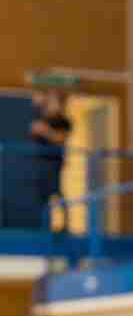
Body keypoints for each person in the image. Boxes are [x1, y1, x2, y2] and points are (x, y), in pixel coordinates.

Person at [28, 89, 73, 228]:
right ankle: (44, 226)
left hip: (54, 162)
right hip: (40, 162)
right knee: (42, 195)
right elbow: (33, 131)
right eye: (51, 101)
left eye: (56, 101)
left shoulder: (64, 121)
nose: (52, 104)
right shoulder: (42, 118)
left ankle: (65, 225)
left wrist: (45, 131)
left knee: (57, 192)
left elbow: (60, 138)